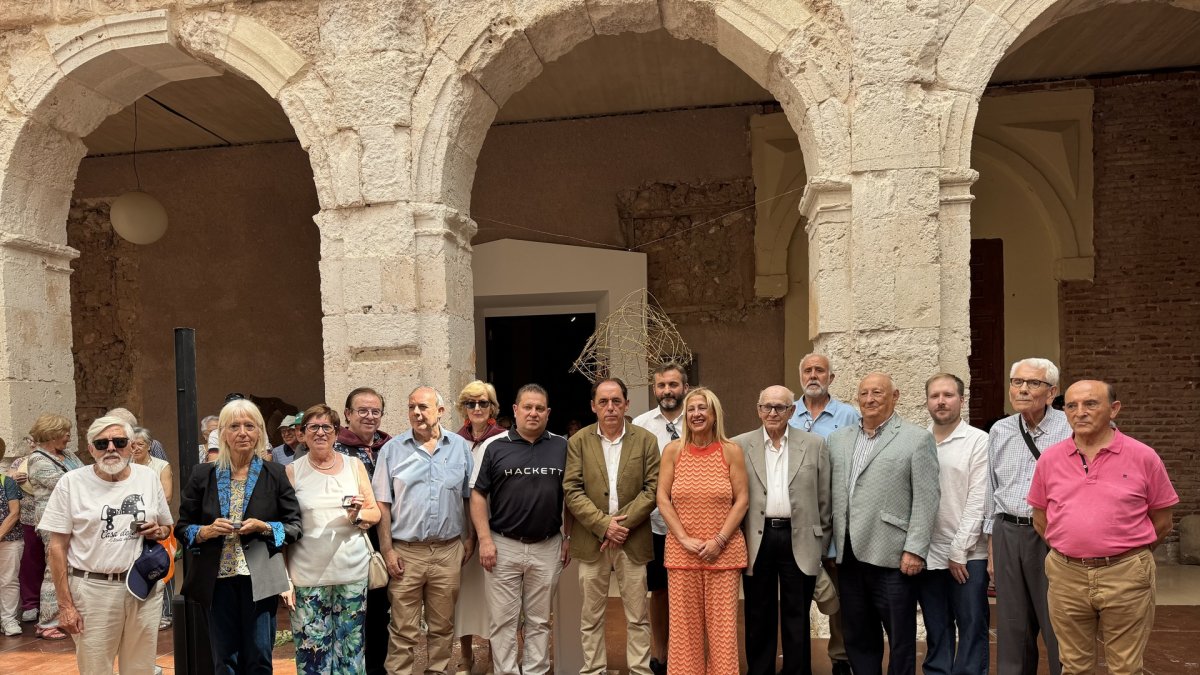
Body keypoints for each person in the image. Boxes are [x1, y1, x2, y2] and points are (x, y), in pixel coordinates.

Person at [1028, 380, 1178, 675]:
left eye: (1091, 404)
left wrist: (1124, 555)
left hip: (1126, 574)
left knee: (1126, 667)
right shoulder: (1050, 460)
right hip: (1066, 575)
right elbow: (1040, 518)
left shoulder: (1143, 457)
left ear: (1114, 410)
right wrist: (1073, 548)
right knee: (1073, 665)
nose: (1080, 412)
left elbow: (1162, 521)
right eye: (1071, 405)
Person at [176, 398, 302, 674]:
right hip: (216, 579)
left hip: (260, 576)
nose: (242, 432)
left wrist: (265, 527)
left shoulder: (275, 473)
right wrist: (206, 531)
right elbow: (182, 528)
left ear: (259, 432)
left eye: (249, 426)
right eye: (234, 426)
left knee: (259, 656)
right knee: (225, 658)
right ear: (222, 434)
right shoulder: (203, 474)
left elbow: (294, 526)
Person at [40, 415, 173, 673]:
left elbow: (167, 526)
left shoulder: (147, 477)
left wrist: (159, 530)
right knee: (95, 668)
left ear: (131, 445)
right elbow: (56, 547)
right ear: (91, 450)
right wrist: (65, 605)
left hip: (142, 586)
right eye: (102, 444)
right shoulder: (72, 483)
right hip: (92, 590)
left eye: (119, 442)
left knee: (141, 668)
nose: (111, 448)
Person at [828, 373, 939, 675]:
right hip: (849, 556)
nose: (870, 399)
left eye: (877, 392)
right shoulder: (839, 439)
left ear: (895, 396)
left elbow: (927, 499)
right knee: (858, 635)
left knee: (900, 638)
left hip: (893, 557)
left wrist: (915, 549)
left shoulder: (916, 439)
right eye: (864, 393)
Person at [471, 384, 572, 675]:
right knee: (503, 621)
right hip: (504, 546)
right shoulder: (495, 446)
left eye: (540, 408)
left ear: (548, 413)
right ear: (515, 410)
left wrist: (567, 537)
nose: (533, 413)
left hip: (548, 545)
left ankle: (535, 671)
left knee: (540, 621)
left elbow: (571, 495)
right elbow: (478, 495)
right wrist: (485, 540)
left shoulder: (561, 446)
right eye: (527, 407)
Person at [373, 387, 474, 675]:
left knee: (443, 627)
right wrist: (388, 549)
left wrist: (471, 538)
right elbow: (383, 503)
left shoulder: (459, 447)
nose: (416, 413)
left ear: (440, 411)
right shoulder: (392, 450)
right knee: (403, 628)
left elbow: (470, 498)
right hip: (406, 553)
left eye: (423, 407)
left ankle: (437, 671)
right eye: (411, 407)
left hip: (448, 551)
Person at [564, 377, 660, 675]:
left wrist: (621, 526)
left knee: (637, 616)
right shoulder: (578, 441)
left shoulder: (645, 440)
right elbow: (572, 489)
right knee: (591, 617)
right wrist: (604, 525)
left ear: (627, 404)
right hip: (593, 542)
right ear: (593, 406)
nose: (610, 407)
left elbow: (652, 489)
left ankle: (640, 670)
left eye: (616, 401)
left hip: (633, 540)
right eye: (603, 402)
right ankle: (594, 670)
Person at [736, 385, 831, 675]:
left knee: (797, 613)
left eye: (780, 407)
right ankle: (760, 671)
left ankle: (797, 671)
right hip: (758, 537)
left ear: (792, 411)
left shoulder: (814, 444)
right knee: (758, 613)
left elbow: (824, 498)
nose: (773, 412)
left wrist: (822, 543)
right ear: (758, 409)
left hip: (799, 537)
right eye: (767, 406)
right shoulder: (739, 444)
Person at [656, 387, 748, 675]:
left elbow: (742, 499)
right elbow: (662, 497)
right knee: (684, 632)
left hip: (723, 554)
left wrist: (719, 540)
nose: (696, 414)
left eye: (702, 408)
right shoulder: (673, 451)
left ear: (714, 414)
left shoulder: (731, 451)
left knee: (723, 632)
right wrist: (683, 538)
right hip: (682, 554)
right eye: (692, 409)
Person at [987, 357, 1070, 675]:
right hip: (1008, 530)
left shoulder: (1069, 427)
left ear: (1051, 392)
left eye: (1033, 383)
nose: (1023, 389)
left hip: (1053, 534)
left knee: (1057, 621)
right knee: (1011, 625)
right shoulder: (1000, 429)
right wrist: (991, 542)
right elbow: (990, 489)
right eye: (1017, 382)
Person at [284, 403, 381, 673]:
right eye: (313, 427)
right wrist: (286, 579)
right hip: (307, 577)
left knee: (351, 652)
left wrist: (357, 515)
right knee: (312, 654)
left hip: (352, 573)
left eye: (327, 427)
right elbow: (286, 528)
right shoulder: (293, 471)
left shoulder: (354, 466)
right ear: (302, 434)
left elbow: (375, 513)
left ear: (337, 433)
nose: (320, 432)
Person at [788, 353, 859, 675]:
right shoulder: (787, 413)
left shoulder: (848, 416)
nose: (813, 375)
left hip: (839, 518)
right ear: (800, 375)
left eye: (820, 370)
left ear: (831, 377)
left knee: (841, 596)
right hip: (797, 520)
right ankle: (796, 661)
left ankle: (841, 658)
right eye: (807, 370)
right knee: (797, 593)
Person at [918, 374, 990, 675]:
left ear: (962, 399)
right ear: (927, 401)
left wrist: (959, 549)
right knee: (936, 626)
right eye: (935, 396)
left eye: (948, 395)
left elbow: (979, 499)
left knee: (972, 624)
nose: (941, 401)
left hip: (967, 554)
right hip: (927, 552)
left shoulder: (978, 441)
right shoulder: (918, 440)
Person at [631, 362, 689, 675]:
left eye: (673, 385)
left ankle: (686, 654)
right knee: (659, 590)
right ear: (655, 389)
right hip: (653, 523)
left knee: (688, 591)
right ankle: (660, 653)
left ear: (685, 388)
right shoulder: (641, 425)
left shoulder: (698, 420)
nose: (667, 391)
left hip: (693, 524)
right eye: (661, 386)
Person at [334, 386, 393, 674]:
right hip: (349, 538)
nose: (369, 416)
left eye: (375, 411)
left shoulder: (391, 448)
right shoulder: (335, 449)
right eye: (362, 410)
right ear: (347, 414)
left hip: (386, 539)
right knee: (350, 611)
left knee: (381, 611)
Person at [453, 380, 506, 673]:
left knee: (494, 597)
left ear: (492, 408)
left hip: (493, 530)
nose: (476, 408)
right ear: (463, 408)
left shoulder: (503, 440)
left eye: (483, 403)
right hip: (461, 531)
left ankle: (491, 654)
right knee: (462, 596)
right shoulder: (453, 441)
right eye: (471, 403)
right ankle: (465, 653)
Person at [26, 413, 82, 640]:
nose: (69, 437)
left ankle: (67, 616)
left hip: (74, 517)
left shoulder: (67, 454)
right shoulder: (38, 460)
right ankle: (47, 622)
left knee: (70, 566)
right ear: (52, 434)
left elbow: (84, 474)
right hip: (53, 519)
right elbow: (65, 483)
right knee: (54, 568)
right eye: (64, 432)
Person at [131, 427, 177, 632]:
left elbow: (166, 496)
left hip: (159, 523)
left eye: (140, 444)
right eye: (132, 444)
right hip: (133, 526)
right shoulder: (127, 466)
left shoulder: (161, 466)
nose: (135, 448)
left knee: (162, 563)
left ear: (149, 446)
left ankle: (166, 612)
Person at [0, 438, 22, 636]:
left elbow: (14, 513)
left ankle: (8, 620)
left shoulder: (6, 482)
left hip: (9, 540)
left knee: (8, 579)